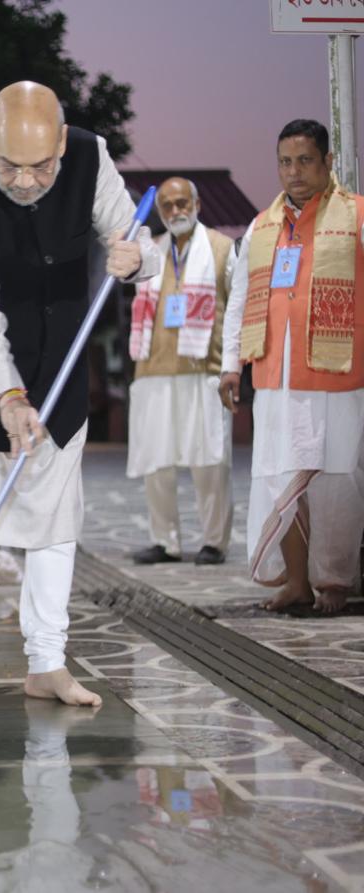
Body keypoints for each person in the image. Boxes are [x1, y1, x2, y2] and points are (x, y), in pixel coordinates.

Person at [0, 81, 160, 709]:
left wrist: (138, 258)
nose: (26, 182)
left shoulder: (89, 156)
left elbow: (134, 237)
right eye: (11, 167)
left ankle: (47, 662)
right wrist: (7, 393)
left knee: (53, 527)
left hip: (58, 371)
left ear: (60, 144)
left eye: (41, 167)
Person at [220, 119, 364, 615]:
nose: (294, 171)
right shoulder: (262, 228)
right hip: (273, 379)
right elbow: (238, 300)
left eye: (305, 160)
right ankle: (297, 582)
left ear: (328, 163)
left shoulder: (357, 216)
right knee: (278, 476)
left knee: (337, 479)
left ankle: (336, 582)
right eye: (285, 161)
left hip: (338, 376)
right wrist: (229, 367)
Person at [127, 177, 236, 566]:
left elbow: (236, 312)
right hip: (153, 370)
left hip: (202, 368)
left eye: (181, 203)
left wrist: (232, 367)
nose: (175, 211)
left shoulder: (222, 249)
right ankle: (165, 541)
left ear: (197, 204)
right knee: (157, 462)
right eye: (168, 206)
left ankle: (214, 542)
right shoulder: (151, 252)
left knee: (209, 461)